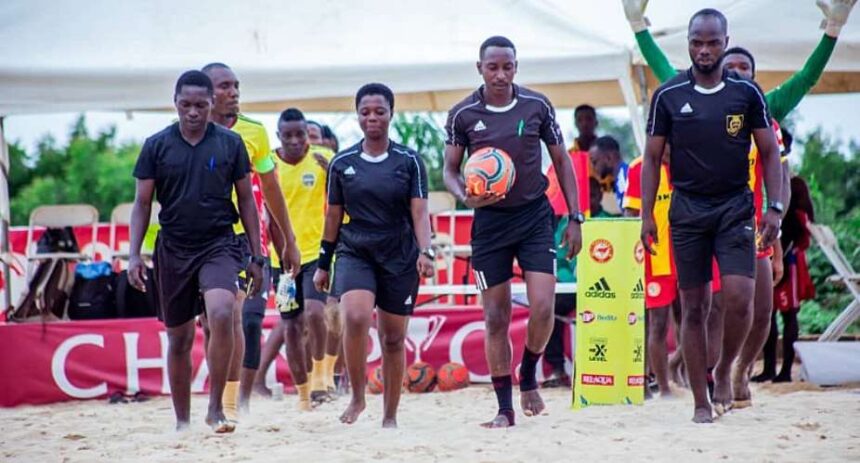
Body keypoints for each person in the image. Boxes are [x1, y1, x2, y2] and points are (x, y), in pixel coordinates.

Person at [623, 0, 854, 407]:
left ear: (752, 74)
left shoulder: (764, 103)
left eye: (743, 67)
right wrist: (638, 26)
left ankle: (737, 368)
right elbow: (661, 70)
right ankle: (706, 381)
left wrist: (832, 31)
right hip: (695, 212)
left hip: (748, 216)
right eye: (704, 47)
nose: (730, 68)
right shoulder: (680, 90)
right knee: (702, 307)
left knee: (756, 307)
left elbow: (807, 78)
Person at [641, 9, 782, 422]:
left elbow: (771, 153)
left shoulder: (746, 94)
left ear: (725, 41)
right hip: (686, 210)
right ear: (688, 43)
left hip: (735, 207)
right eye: (696, 43)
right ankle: (702, 400)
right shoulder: (668, 95)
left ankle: (724, 372)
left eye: (712, 43)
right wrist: (647, 215)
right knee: (695, 305)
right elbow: (651, 159)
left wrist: (774, 206)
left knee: (740, 301)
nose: (704, 50)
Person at [443, 36, 583, 428]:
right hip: (489, 223)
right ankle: (505, 408)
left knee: (543, 307)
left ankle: (529, 374)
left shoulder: (536, 105)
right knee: (495, 318)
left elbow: (561, 160)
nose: (501, 74)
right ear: (480, 68)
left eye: (508, 67)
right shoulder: (463, 115)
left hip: (535, 217)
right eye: (493, 67)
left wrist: (575, 217)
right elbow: (450, 170)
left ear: (516, 67)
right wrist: (463, 196)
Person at [128, 70, 263, 433]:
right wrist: (134, 254)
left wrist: (257, 254)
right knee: (180, 337)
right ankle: (182, 420)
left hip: (219, 243)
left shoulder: (230, 144)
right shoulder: (156, 145)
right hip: (172, 248)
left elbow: (247, 200)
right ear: (175, 103)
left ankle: (217, 407)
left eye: (200, 105)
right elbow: (142, 204)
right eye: (185, 105)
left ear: (212, 104)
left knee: (221, 312)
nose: (192, 112)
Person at [313, 83, 433, 428]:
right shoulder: (342, 162)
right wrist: (324, 263)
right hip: (356, 250)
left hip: (399, 252)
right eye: (365, 112)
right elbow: (333, 216)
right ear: (358, 115)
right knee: (355, 316)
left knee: (393, 338)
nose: (372, 118)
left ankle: (390, 415)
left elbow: (420, 213)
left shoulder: (410, 160)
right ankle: (357, 396)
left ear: (391, 114)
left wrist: (425, 251)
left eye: (379, 111)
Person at [200, 63, 301, 419]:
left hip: (243, 238)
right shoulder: (188, 132)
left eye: (236, 85)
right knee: (211, 324)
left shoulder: (254, 133)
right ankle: (220, 398)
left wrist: (288, 239)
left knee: (237, 315)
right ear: (206, 92)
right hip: (199, 239)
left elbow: (271, 190)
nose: (234, 92)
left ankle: (231, 403)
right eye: (225, 86)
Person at [270, 107, 338, 409]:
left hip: (315, 254)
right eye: (289, 135)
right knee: (291, 327)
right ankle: (303, 393)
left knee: (314, 312)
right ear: (279, 136)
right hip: (280, 260)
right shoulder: (268, 164)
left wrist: (333, 173)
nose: (296, 140)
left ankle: (323, 377)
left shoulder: (323, 159)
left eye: (301, 134)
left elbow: (342, 198)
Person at [754, 130, 816, 383]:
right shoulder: (764, 181)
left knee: (788, 313)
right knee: (766, 314)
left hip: (788, 258)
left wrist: (783, 253)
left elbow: (806, 224)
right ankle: (769, 368)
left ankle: (786, 371)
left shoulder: (794, 185)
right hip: (767, 252)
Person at [624, 146, 676, 398]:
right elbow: (630, 213)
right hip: (655, 259)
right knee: (656, 324)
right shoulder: (639, 167)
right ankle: (657, 386)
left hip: (688, 255)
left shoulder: (689, 158)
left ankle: (682, 376)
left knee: (694, 317)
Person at [590, 135, 628, 216]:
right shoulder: (620, 178)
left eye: (594, 162)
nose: (593, 168)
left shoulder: (625, 177)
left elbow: (633, 215)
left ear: (608, 158)